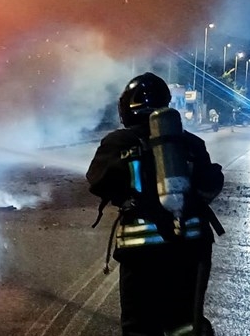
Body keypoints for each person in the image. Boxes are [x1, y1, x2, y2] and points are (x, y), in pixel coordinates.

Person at [86, 72, 225, 336]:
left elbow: (97, 181)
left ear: (127, 107)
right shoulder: (191, 142)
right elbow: (209, 184)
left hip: (141, 252)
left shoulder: (118, 142)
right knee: (185, 322)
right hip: (192, 247)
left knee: (139, 326)